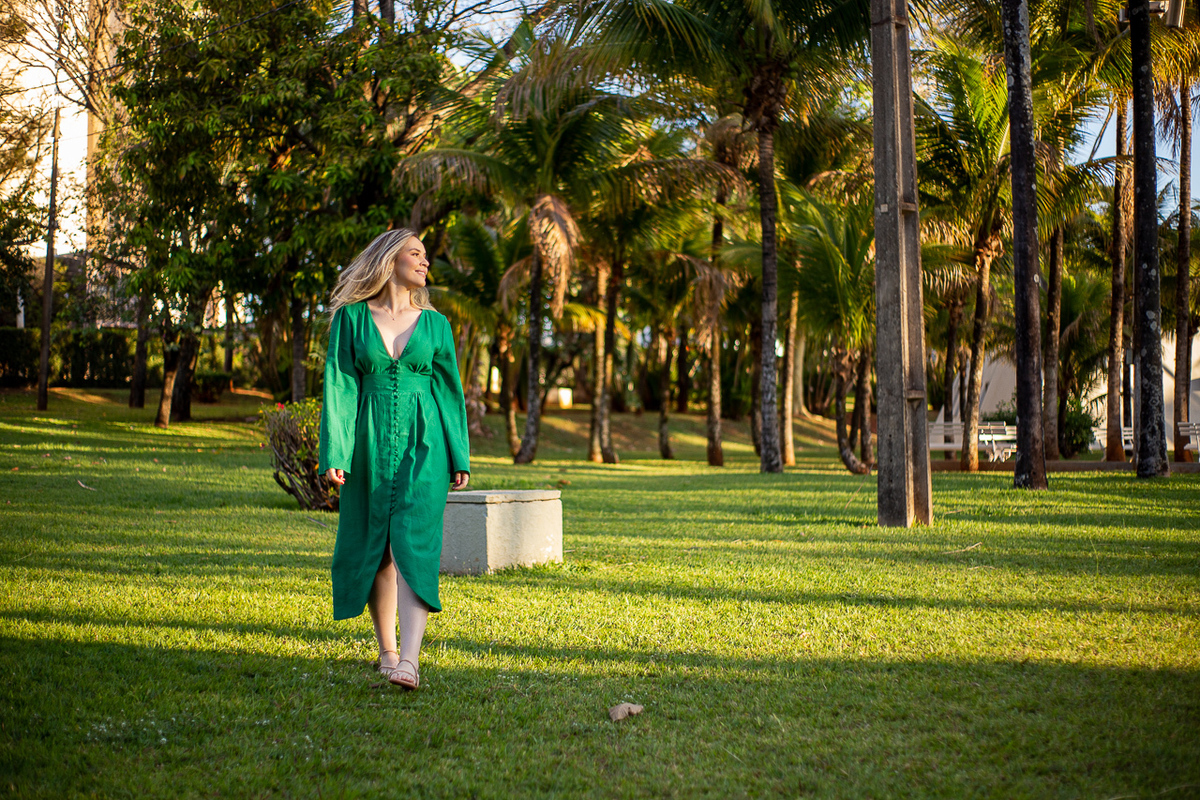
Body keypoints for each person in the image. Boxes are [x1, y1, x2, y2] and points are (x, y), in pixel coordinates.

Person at [318, 228, 471, 690]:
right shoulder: (350, 319)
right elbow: (340, 386)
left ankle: (410, 659)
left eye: (427, 257)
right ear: (390, 259)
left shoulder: (437, 324)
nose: (426, 263)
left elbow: (449, 392)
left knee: (414, 543)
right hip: (367, 438)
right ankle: (386, 649)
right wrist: (335, 450)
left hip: (426, 444)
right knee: (375, 544)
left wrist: (459, 454)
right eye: (416, 254)